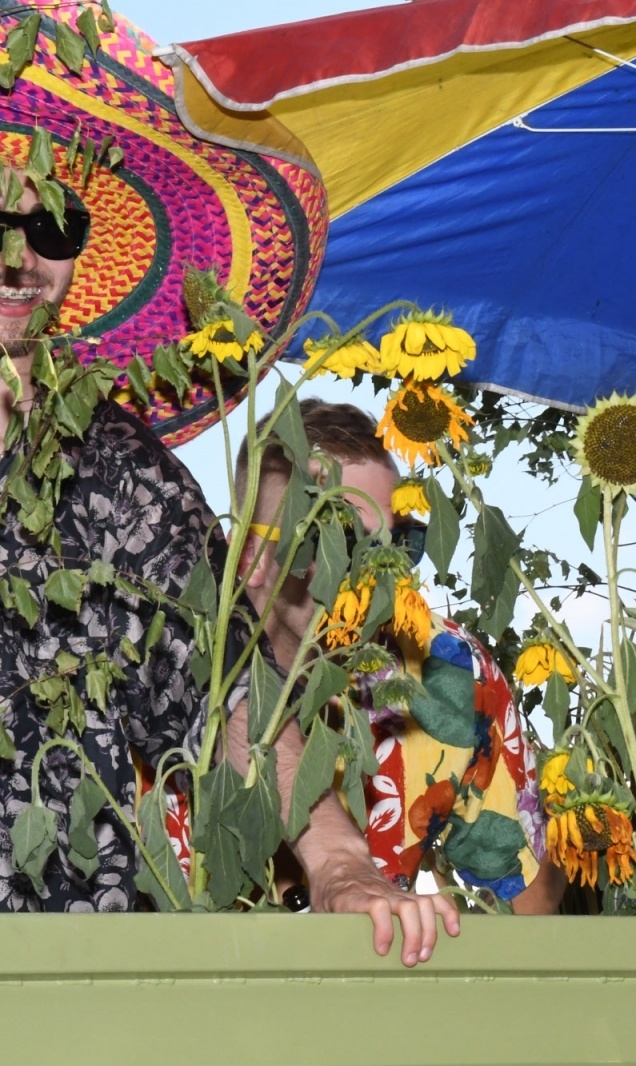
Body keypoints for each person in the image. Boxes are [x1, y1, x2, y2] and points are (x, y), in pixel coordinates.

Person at [0, 173, 457, 964]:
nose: (23, 258)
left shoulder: (119, 471)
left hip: (64, 968)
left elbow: (231, 691)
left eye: (55, 228)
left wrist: (340, 863)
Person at [232, 399, 566, 914]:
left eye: (398, 545)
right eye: (340, 538)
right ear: (250, 557)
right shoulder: (162, 665)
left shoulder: (445, 670)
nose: (379, 574)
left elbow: (526, 892)